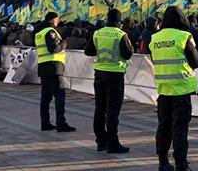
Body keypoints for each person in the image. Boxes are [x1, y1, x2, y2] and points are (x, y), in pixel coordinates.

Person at [149, 6, 198, 171]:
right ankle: (181, 167)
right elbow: (195, 62)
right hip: (181, 89)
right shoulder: (184, 37)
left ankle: (163, 163)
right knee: (180, 129)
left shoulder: (155, 38)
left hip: (163, 88)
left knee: (163, 127)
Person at [86, 9, 133, 152]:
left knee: (99, 108)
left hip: (99, 74)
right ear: (119, 22)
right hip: (115, 75)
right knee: (112, 111)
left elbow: (88, 51)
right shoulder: (121, 35)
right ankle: (113, 143)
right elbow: (128, 53)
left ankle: (101, 141)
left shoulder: (97, 33)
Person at [35, 12, 76, 132]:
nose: (58, 22)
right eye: (57, 20)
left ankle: (45, 122)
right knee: (59, 96)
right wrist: (64, 43)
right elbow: (53, 48)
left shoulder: (39, 33)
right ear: (53, 20)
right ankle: (61, 123)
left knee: (46, 97)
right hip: (53, 66)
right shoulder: (50, 32)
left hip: (43, 66)